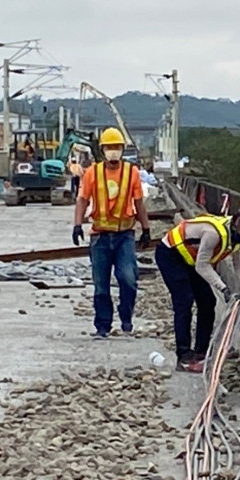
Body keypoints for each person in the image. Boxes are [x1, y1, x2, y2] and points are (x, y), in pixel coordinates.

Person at [155, 199, 240, 372]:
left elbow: (239, 265)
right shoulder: (213, 234)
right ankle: (184, 356)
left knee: (208, 302)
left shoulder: (236, 239)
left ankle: (201, 352)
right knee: (184, 301)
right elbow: (202, 266)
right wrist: (223, 288)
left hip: (191, 260)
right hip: (171, 255)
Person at [72, 127, 151, 338]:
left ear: (123, 150)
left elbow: (138, 203)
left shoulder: (131, 172)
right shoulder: (92, 173)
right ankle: (103, 326)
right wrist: (77, 224)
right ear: (102, 150)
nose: (113, 151)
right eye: (109, 147)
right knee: (100, 286)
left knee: (128, 279)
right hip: (100, 236)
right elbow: (82, 200)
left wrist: (146, 228)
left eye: (117, 147)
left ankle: (126, 316)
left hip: (124, 235)